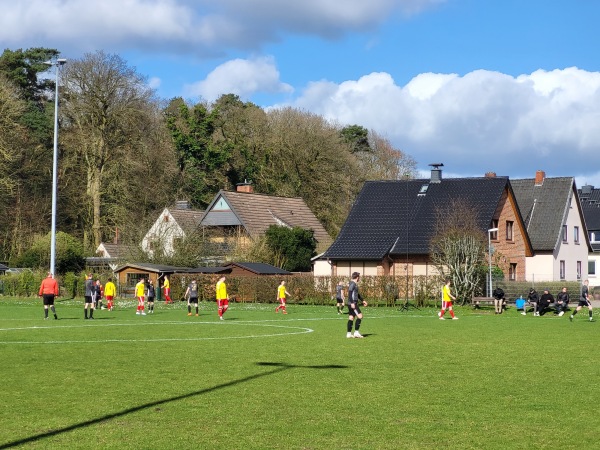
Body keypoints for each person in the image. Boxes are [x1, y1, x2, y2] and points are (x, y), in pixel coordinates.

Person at [347, 272, 368, 338]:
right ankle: (356, 332)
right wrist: (352, 303)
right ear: (357, 277)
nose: (359, 278)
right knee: (360, 316)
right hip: (353, 304)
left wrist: (363, 300)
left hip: (350, 303)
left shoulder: (353, 284)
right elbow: (350, 294)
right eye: (359, 277)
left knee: (351, 317)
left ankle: (349, 334)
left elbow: (357, 294)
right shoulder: (353, 284)